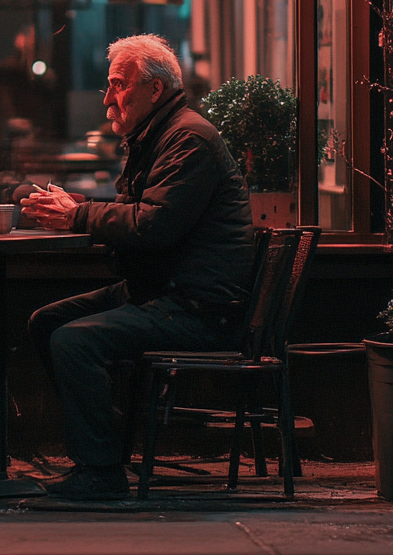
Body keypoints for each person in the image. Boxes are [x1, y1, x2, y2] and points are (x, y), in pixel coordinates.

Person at [20, 33, 254, 500]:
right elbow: (141, 214)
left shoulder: (187, 138)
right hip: (162, 291)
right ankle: (107, 441)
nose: (107, 99)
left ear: (155, 89)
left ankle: (100, 473)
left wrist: (78, 215)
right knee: (48, 323)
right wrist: (80, 206)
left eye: (117, 85)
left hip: (196, 306)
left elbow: (153, 226)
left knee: (73, 340)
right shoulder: (158, 135)